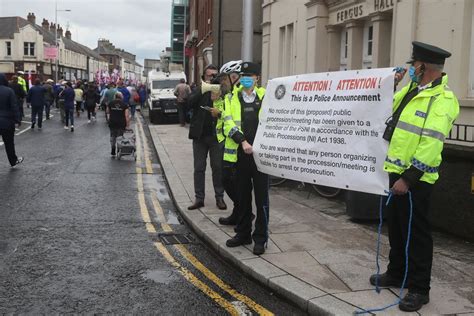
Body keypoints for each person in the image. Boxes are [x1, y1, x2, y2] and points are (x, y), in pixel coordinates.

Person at [370, 41, 459, 312]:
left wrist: (407, 179)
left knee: (416, 233)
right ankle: (397, 273)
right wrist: (393, 84)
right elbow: (386, 109)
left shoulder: (442, 100)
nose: (410, 69)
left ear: (423, 67)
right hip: (396, 172)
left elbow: (431, 145)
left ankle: (420, 288)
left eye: (413, 65)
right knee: (396, 227)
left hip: (415, 180)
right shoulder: (412, 90)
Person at [223, 62, 268, 255]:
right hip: (240, 156)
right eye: (244, 75)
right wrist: (242, 142)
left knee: (262, 200)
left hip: (261, 157)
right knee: (242, 198)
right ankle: (243, 234)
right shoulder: (231, 97)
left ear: (257, 78)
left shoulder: (266, 96)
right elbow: (227, 123)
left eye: (251, 75)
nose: (247, 78)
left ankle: (260, 238)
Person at [187, 64, 226, 211]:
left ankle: (219, 197)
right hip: (200, 136)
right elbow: (189, 104)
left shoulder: (223, 91)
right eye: (210, 75)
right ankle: (199, 198)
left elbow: (228, 110)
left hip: (217, 136)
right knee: (199, 168)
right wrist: (202, 90)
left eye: (215, 75)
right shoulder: (198, 90)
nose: (212, 78)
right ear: (204, 77)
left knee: (217, 168)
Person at [211, 60, 243, 226]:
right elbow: (224, 115)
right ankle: (239, 212)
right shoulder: (230, 94)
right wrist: (216, 102)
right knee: (228, 180)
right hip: (228, 144)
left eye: (224, 79)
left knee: (233, 181)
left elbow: (235, 118)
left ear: (234, 77)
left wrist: (219, 112)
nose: (222, 82)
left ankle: (243, 213)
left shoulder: (240, 94)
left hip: (239, 145)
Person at [0, 73, 23, 167]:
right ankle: (13, 161)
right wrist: (17, 120)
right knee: (9, 143)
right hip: (7, 121)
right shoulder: (9, 91)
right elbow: (14, 107)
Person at [106, 92, 130, 157]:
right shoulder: (124, 105)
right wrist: (127, 125)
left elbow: (107, 112)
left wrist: (109, 120)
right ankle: (119, 151)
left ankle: (113, 150)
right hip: (121, 123)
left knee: (113, 137)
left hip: (112, 122)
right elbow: (126, 116)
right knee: (120, 137)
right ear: (121, 97)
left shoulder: (110, 103)